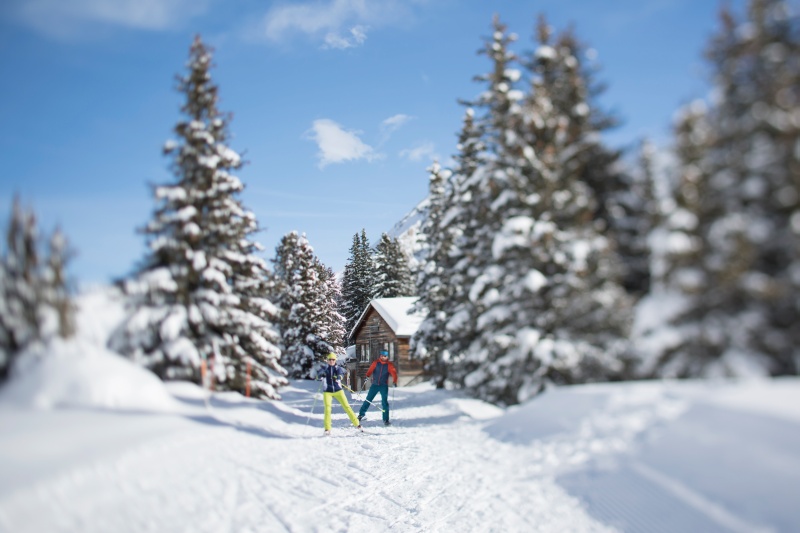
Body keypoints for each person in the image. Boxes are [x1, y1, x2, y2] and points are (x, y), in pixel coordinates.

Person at [315, 352, 362, 436]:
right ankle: (327, 429)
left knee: (347, 406)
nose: (331, 361)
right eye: (330, 359)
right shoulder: (325, 368)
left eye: (333, 359)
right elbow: (318, 376)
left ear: (335, 360)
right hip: (327, 392)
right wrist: (321, 375)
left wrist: (338, 377)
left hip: (338, 391)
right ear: (328, 360)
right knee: (327, 409)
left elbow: (341, 374)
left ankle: (357, 424)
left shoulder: (337, 368)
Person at [358, 350, 398, 426]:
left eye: (385, 356)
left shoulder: (389, 365)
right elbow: (370, 370)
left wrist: (394, 381)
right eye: (382, 355)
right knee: (368, 400)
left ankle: (386, 419)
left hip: (383, 385)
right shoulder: (376, 363)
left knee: (384, 402)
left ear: (387, 357)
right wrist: (367, 376)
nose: (383, 357)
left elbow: (394, 373)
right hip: (375, 385)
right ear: (380, 356)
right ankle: (361, 415)